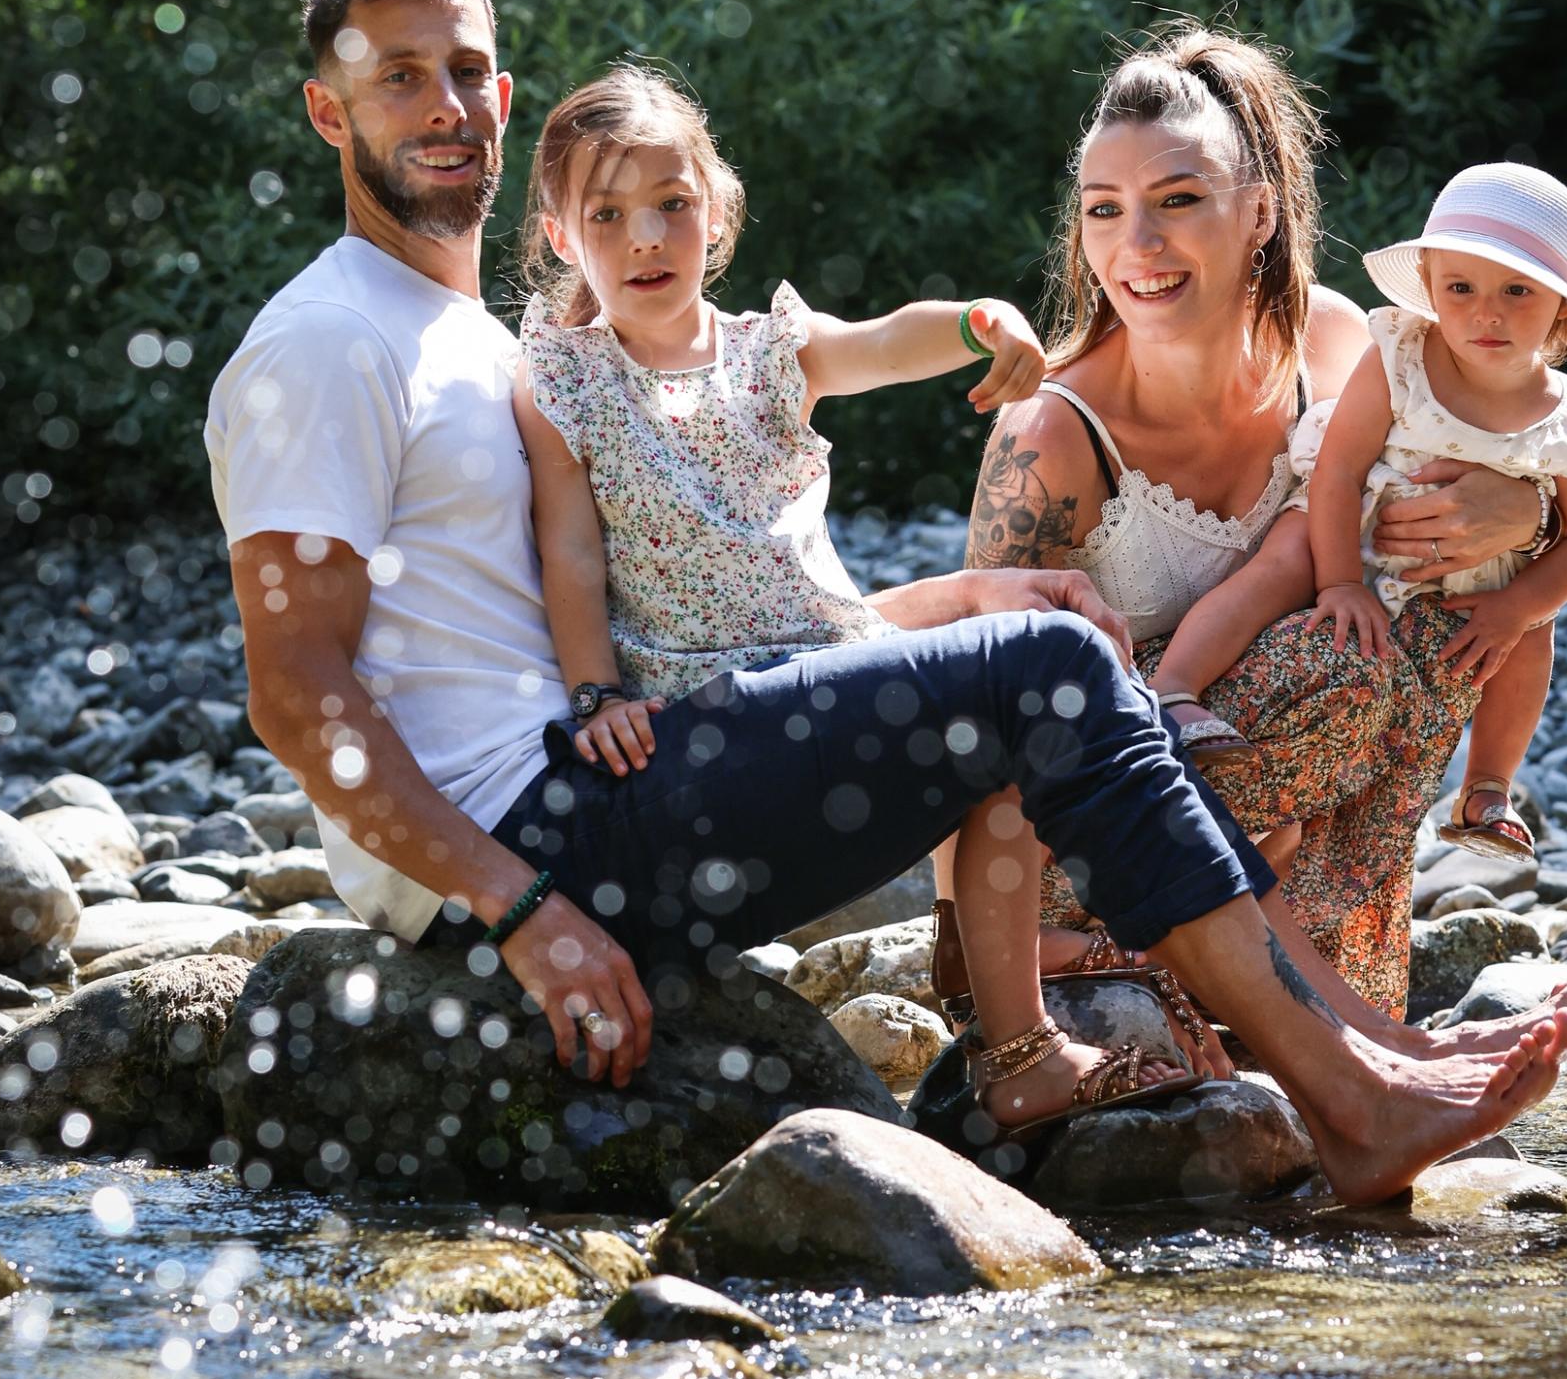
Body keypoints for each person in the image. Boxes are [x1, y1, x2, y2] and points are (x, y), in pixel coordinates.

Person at [206, 0, 1567, 1209]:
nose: (444, 106)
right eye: (398, 80)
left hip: (629, 772)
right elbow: (296, 696)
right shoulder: (327, 342)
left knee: (1037, 653)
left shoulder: (492, 344)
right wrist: (523, 916)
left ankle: (1353, 1057)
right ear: (331, 114)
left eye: (462, 71)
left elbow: (709, 605)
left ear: (503, 93)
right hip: (540, 844)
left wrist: (961, 602)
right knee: (1046, 675)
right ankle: (1346, 1096)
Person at [507, 60, 1194, 1128]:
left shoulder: (770, 352)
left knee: (1030, 639)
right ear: (561, 236)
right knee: (1007, 691)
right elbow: (570, 554)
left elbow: (888, 339)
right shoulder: (565, 381)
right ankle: (1030, 1033)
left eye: (671, 206)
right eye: (609, 215)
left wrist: (983, 320)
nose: (646, 237)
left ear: (717, 212)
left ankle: (1021, 989)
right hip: (720, 703)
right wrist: (598, 694)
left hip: (826, 648)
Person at [958, 22, 1567, 1016]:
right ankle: (1162, 963)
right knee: (1341, 657)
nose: (1138, 246)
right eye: (1104, 211)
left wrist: (1524, 515)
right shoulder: (1054, 437)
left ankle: (1321, 976)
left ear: (1261, 214)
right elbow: (969, 722)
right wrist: (993, 981)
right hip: (1101, 845)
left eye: (1179, 201)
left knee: (1469, 608)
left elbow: (1513, 438)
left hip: (1320, 819)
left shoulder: (1342, 344)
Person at [1291, 163, 1567, 858]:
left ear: (1562, 306)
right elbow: (1339, 471)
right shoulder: (1401, 357)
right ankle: (1182, 689)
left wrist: (1520, 605)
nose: (1484, 312)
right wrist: (1340, 581)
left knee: (1536, 631)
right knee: (1282, 563)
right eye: (1459, 288)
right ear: (1431, 287)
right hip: (1370, 559)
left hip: (1485, 591)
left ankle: (1486, 790)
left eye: (1516, 291)